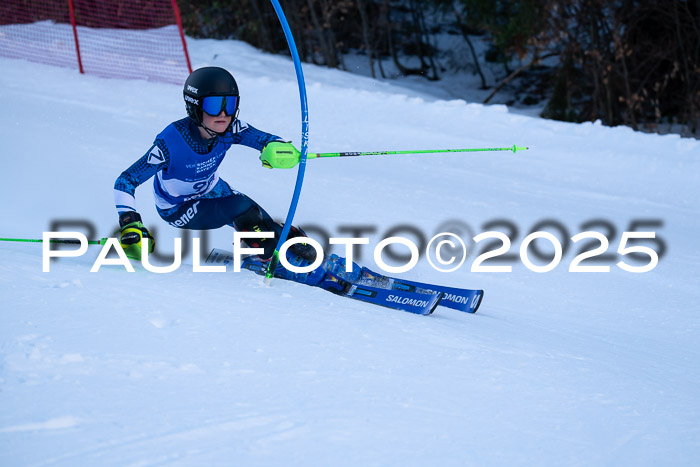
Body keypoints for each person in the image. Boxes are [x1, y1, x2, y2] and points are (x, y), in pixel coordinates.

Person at [113, 66, 314, 263]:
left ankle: (275, 241)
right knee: (241, 209)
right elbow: (126, 180)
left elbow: (264, 139)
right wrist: (130, 223)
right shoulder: (170, 143)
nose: (223, 114)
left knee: (260, 218)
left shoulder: (231, 129)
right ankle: (266, 254)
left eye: (230, 104)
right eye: (214, 105)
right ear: (194, 107)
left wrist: (278, 148)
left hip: (213, 189)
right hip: (178, 207)